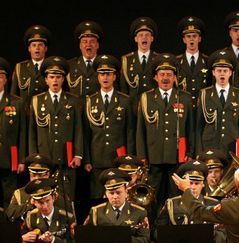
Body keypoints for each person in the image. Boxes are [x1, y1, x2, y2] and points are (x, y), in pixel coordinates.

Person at [136, 53, 194, 217]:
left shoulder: (185, 98)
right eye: (162, 74)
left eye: (169, 74)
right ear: (155, 77)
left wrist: (190, 152)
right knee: (153, 198)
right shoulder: (146, 98)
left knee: (176, 197)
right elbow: (140, 130)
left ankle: (174, 228)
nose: (166, 78)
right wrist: (141, 156)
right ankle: (153, 230)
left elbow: (191, 129)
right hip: (153, 158)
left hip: (177, 159)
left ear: (175, 77)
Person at [28, 56, 83, 200]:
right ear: (46, 79)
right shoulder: (37, 101)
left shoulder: (73, 100)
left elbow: (78, 129)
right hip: (44, 158)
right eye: (52, 77)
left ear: (63, 79)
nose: (55, 80)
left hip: (67, 159)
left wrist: (78, 154)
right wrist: (34, 158)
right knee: (43, 196)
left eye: (58, 77)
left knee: (67, 197)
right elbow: (32, 132)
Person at [83, 54, 135, 200]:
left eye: (108, 74)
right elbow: (86, 134)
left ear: (114, 76)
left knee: (119, 196)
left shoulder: (125, 100)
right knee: (97, 196)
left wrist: (128, 160)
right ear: (97, 77)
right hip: (97, 157)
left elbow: (130, 132)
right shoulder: (90, 101)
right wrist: (87, 159)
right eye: (101, 74)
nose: (105, 78)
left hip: (118, 158)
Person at [154, 161, 225, 242]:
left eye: (197, 183)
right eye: (190, 183)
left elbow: (222, 234)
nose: (193, 187)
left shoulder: (213, 204)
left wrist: (209, 235)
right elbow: (157, 232)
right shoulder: (172, 204)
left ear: (203, 184)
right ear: (182, 184)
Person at [196, 50, 239, 160]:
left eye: (225, 70)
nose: (222, 73)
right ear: (213, 73)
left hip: (231, 146)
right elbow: (198, 126)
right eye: (219, 71)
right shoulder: (204, 94)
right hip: (209, 145)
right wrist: (199, 150)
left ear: (230, 73)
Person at [85, 168, 150, 243]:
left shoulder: (139, 212)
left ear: (126, 192)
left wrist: (124, 239)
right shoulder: (96, 211)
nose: (115, 196)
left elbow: (145, 239)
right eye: (111, 193)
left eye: (118, 192)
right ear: (106, 194)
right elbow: (88, 237)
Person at [0, 57, 26, 207]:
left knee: (9, 197)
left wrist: (22, 159)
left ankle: (8, 226)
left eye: (0, 76)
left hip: (9, 158)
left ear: (5, 79)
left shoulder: (17, 102)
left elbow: (22, 133)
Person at [120, 17, 159, 110]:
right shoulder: (126, 60)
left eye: (147, 35)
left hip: (154, 107)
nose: (144, 37)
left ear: (152, 38)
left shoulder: (159, 59)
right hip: (132, 108)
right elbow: (123, 88)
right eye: (141, 35)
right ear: (136, 39)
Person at [21, 178, 75, 243]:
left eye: (47, 201)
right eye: (40, 202)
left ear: (53, 198)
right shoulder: (31, 217)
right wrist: (23, 238)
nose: (45, 206)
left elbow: (73, 241)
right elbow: (23, 236)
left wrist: (53, 240)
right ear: (34, 202)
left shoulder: (66, 217)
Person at [176, 16, 210, 109]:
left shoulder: (208, 61)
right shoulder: (176, 62)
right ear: (184, 40)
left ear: (199, 39)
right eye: (188, 36)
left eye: (194, 36)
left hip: (203, 107)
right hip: (183, 107)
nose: (191, 39)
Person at [10, 25, 51, 103]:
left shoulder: (51, 67)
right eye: (34, 45)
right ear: (29, 48)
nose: (37, 48)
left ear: (45, 48)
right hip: (25, 113)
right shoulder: (20, 68)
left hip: (46, 113)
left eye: (40, 45)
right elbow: (13, 96)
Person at [67, 20, 104, 98]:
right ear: (80, 45)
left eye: (92, 41)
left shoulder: (104, 64)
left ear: (97, 45)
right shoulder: (70, 65)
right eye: (84, 41)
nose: (88, 45)